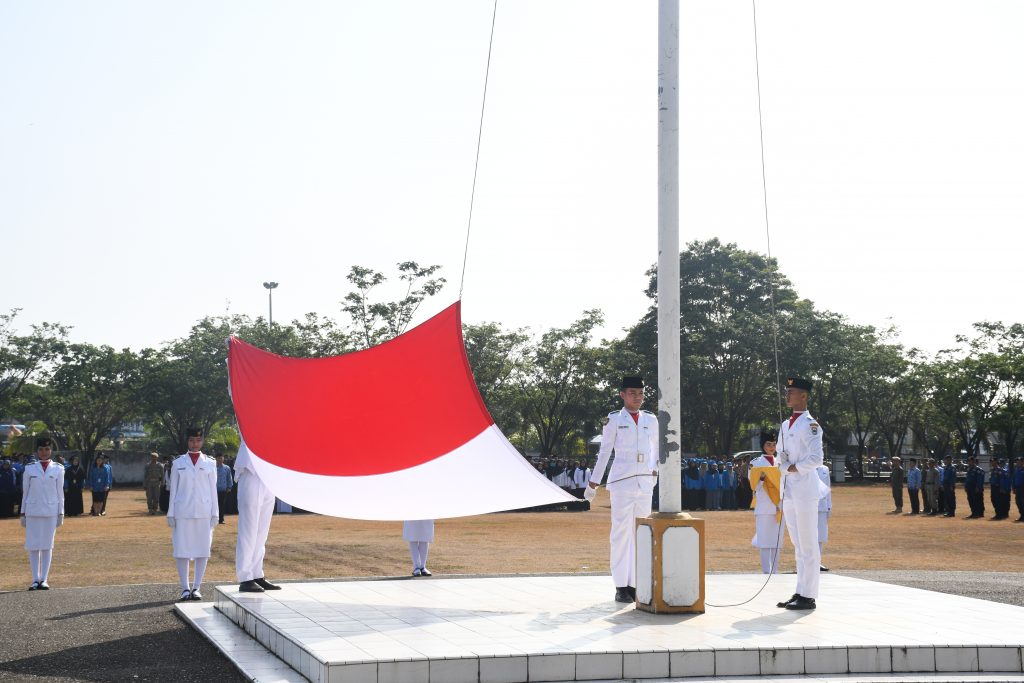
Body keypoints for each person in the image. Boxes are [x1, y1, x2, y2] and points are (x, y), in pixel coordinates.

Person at [586, 376, 659, 604]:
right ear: (622, 395)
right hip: (622, 481)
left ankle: (636, 584)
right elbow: (605, 451)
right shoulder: (614, 419)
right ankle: (620, 585)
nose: (636, 397)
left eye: (640, 393)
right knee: (620, 534)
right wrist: (594, 481)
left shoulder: (651, 419)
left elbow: (657, 448)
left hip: (645, 482)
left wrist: (655, 473)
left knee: (641, 533)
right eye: (631, 393)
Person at [776, 377, 825, 611]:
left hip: (805, 488)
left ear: (804, 396)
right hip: (789, 489)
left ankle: (809, 595)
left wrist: (792, 468)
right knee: (797, 543)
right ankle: (800, 590)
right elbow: (779, 453)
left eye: (792, 391)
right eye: (787, 391)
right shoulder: (786, 425)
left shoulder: (811, 424)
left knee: (808, 543)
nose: (787, 395)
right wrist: (785, 465)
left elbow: (817, 458)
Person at [167, 427, 218, 601]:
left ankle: (197, 587)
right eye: (191, 440)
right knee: (181, 550)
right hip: (183, 511)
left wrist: (215, 513)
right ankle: (184, 588)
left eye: (197, 440)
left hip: (204, 512)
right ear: (187, 441)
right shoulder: (178, 463)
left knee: (203, 550)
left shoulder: (210, 463)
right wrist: (170, 513)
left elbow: (213, 491)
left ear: (202, 441)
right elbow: (173, 489)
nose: (194, 444)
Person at [234, 440, 281, 593]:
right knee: (249, 529)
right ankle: (245, 577)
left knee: (262, 531)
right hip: (250, 469)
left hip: (269, 470)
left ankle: (256, 573)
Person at [21, 437, 64, 590]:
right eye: (40, 449)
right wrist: (22, 513)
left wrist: (61, 513)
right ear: (36, 451)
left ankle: (44, 579)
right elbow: (25, 492)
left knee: (47, 546)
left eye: (47, 449)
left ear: (51, 450)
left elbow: (60, 494)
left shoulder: (58, 468)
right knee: (33, 546)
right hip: (32, 511)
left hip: (51, 512)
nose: (44, 452)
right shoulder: (29, 468)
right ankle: (35, 579)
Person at [749, 430, 782, 574]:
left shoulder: (781, 462)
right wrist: (761, 478)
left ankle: (775, 571)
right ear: (763, 445)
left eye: (774, 444)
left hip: (779, 506)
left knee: (777, 542)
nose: (772, 447)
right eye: (769, 444)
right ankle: (766, 571)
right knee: (764, 541)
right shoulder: (756, 463)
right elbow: (753, 486)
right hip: (764, 506)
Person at [816, 464, 832, 571]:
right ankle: (803, 563)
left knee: (820, 537)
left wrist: (829, 506)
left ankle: (817, 562)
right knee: (806, 536)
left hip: (822, 506)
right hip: (807, 506)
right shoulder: (804, 466)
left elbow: (827, 488)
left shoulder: (824, 468)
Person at [215, 455, 232, 524]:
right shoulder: (213, 467)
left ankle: (221, 519)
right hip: (214, 490)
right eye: (219, 458)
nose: (220, 459)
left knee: (221, 505)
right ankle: (213, 519)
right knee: (214, 505)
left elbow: (229, 478)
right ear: (216, 459)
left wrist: (229, 486)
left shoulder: (227, 468)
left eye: (221, 458)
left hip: (223, 489)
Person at [1013, 456, 1024, 522]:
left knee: (1022, 502)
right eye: (1017, 461)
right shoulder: (1016, 470)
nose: (1017, 462)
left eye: (1019, 461)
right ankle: (1022, 515)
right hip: (1018, 488)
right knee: (1018, 502)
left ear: (1022, 462)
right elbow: (1014, 479)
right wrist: (1014, 487)